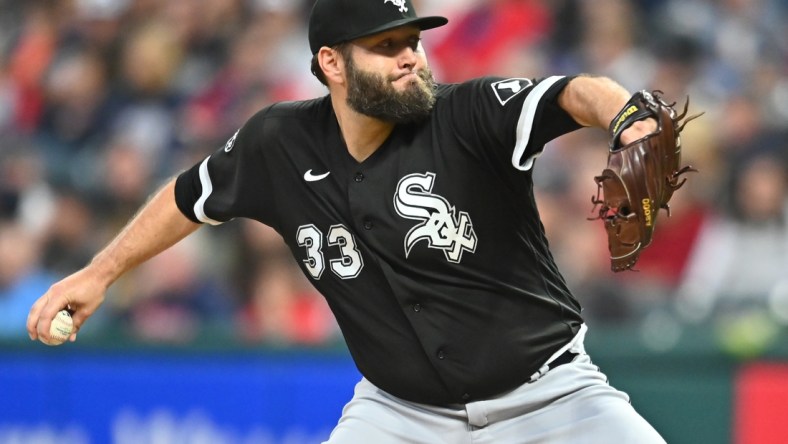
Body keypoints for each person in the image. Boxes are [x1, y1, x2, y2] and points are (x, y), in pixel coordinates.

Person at [28, 0, 668, 442]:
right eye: (386, 46)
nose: (410, 57)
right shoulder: (278, 143)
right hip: (401, 416)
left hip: (551, 399)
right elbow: (189, 196)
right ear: (331, 63)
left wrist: (628, 118)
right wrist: (100, 272)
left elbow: (574, 93)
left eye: (413, 40)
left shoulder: (468, 115)